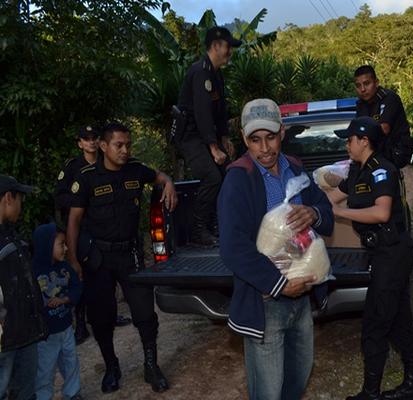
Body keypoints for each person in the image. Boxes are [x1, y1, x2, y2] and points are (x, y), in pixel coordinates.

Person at [217, 98, 333, 400]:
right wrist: (280, 285)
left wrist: (313, 213)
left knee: (297, 378)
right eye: (255, 140)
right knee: (268, 391)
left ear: (281, 132)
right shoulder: (238, 178)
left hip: (302, 296)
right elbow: (232, 247)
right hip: (266, 300)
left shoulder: (294, 167)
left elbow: (325, 209)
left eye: (270, 137)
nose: (264, 148)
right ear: (245, 139)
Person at [66, 122, 178, 393]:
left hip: (131, 254)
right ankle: (112, 366)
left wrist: (169, 183)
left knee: (144, 313)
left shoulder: (136, 171)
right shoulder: (87, 177)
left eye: (128, 145)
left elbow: (159, 176)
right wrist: (73, 260)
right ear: (103, 146)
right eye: (119, 145)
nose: (125, 150)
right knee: (102, 317)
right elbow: (73, 221)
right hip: (99, 258)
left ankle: (151, 366)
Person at [326, 116, 413, 400]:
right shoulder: (357, 171)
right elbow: (332, 197)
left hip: (393, 252)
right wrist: (299, 205)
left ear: (364, 141)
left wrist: (340, 214)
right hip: (380, 252)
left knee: (375, 323)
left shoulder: (383, 170)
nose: (347, 144)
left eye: (349, 139)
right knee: (398, 318)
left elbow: (381, 213)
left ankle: (370, 393)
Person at [54, 125, 132, 347]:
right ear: (80, 143)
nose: (90, 142)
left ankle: (110, 315)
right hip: (80, 230)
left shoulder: (107, 163)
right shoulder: (72, 168)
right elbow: (59, 197)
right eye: (86, 139)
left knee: (107, 275)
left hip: (103, 229)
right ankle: (80, 323)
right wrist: (82, 201)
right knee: (81, 275)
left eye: (94, 138)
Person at [176, 26, 241, 247]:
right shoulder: (201, 72)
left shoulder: (216, 74)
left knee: (227, 174)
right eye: (227, 47)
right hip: (192, 137)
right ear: (215, 46)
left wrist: (224, 138)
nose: (230, 51)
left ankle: (215, 225)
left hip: (208, 136)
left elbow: (220, 111)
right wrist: (214, 148)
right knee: (212, 178)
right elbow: (202, 113)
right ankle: (197, 230)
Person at [0, 175, 47, 400]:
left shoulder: (10, 234)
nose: (21, 205)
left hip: (24, 334)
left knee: (26, 392)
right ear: (8, 198)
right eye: (20, 199)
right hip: (5, 341)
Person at [32, 223, 83, 400]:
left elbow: (77, 287)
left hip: (66, 327)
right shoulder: (33, 273)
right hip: (46, 336)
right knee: (44, 371)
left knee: (71, 363)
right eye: (61, 244)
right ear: (47, 245)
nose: (66, 248)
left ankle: (73, 393)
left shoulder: (65, 267)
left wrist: (65, 299)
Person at [354, 65, 413, 169]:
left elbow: (384, 128)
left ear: (376, 82)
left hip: (395, 151)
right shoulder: (361, 104)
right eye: (358, 85)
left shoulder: (389, 98)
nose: (362, 89)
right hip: (375, 153)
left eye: (366, 84)